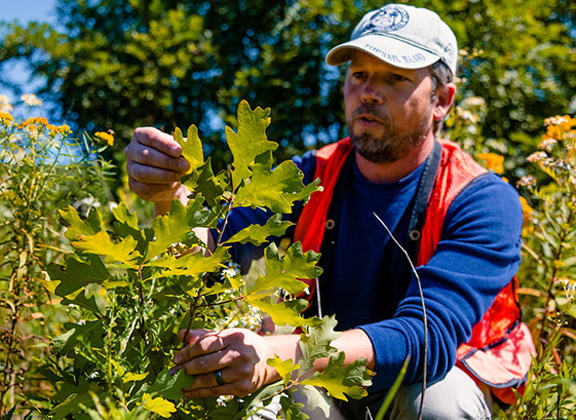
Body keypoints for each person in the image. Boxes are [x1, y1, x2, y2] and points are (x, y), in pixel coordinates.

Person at [124, 4, 535, 419]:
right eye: (359, 75)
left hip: (425, 379)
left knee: (440, 407)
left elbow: (426, 337)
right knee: (259, 407)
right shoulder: (309, 176)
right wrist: (168, 196)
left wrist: (273, 353)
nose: (369, 92)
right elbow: (210, 256)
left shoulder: (481, 199)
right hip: (320, 375)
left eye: (395, 78)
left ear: (442, 100)